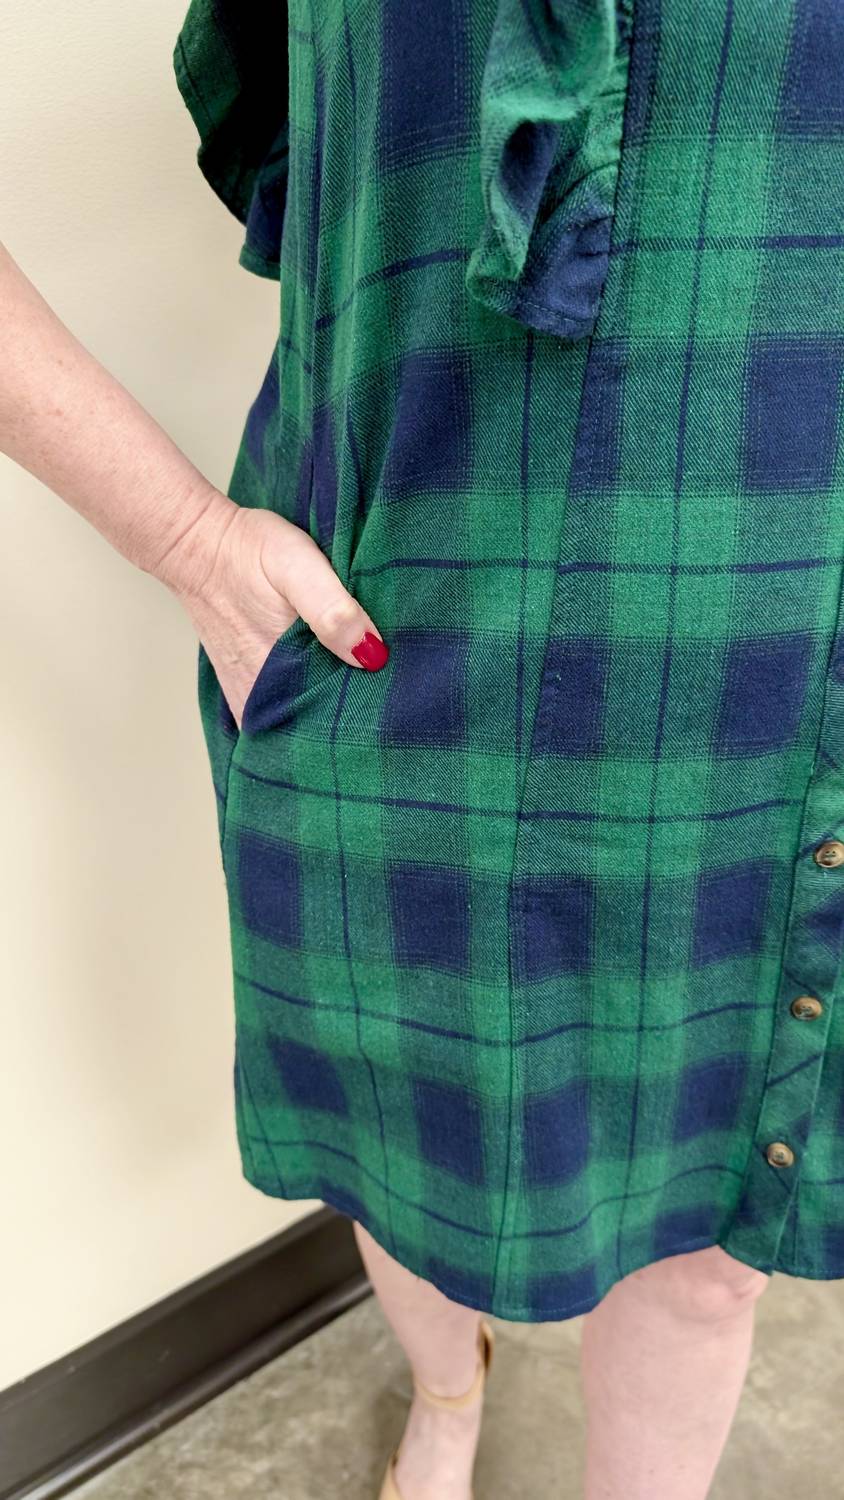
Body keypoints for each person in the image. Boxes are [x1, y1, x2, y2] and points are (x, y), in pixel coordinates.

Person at [4, 0, 843, 1496]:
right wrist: (186, 539)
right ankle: (451, 1398)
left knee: (709, 1247)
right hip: (391, 635)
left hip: (775, 678)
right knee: (401, 1157)